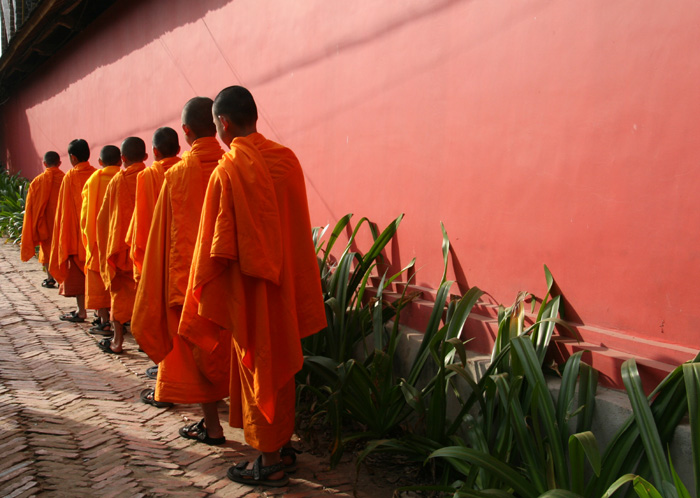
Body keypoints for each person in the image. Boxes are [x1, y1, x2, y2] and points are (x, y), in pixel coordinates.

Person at [178, 86, 326, 487]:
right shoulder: (287, 160)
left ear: (223, 124)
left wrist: (203, 293)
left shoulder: (228, 171)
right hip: (285, 288)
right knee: (282, 367)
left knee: (258, 365)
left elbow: (214, 247)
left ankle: (270, 460)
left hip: (250, 292)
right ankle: (282, 447)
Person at [131, 97, 227, 414]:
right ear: (216, 125)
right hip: (233, 283)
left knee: (194, 345)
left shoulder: (176, 177)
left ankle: (211, 426)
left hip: (189, 283)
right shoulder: (236, 167)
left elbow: (158, 237)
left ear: (185, 130)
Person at [95, 137, 146, 354]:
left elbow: (104, 219)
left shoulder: (117, 181)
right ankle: (146, 343)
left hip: (123, 251)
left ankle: (117, 341)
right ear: (145, 156)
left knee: (120, 297)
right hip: (146, 251)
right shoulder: (155, 176)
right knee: (147, 298)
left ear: (122, 158)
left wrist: (108, 248)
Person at [48, 139, 96, 322]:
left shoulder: (69, 177)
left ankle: (82, 311)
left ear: (73, 158)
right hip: (93, 236)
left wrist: (64, 236)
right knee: (96, 277)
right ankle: (101, 314)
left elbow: (64, 210)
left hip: (76, 238)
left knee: (78, 278)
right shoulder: (96, 174)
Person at [126, 127, 181, 282]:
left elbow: (141, 221)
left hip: (153, 250)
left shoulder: (146, 176)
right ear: (178, 149)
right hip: (183, 248)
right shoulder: (187, 170)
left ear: (154, 151)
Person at [80, 145, 122, 335]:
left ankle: (104, 320)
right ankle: (121, 319)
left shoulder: (94, 181)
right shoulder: (129, 177)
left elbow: (86, 215)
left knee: (99, 280)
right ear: (120, 161)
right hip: (121, 239)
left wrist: (87, 238)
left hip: (98, 238)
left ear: (99, 162)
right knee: (121, 282)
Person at [20, 151, 65, 288]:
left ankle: (50, 278)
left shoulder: (37, 182)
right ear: (59, 163)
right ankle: (65, 278)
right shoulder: (65, 178)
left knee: (46, 249)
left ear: (44, 164)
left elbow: (30, 206)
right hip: (62, 222)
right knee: (63, 249)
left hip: (44, 222)